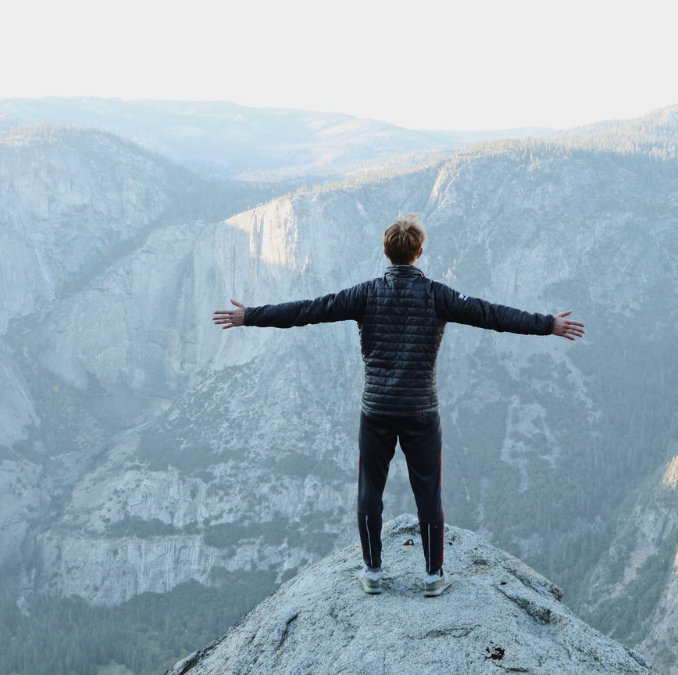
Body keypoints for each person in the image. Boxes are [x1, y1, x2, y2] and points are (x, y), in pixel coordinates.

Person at [212, 214, 585, 596]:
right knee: (428, 493)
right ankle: (433, 576)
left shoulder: (365, 294)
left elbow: (308, 310)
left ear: (386, 252)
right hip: (421, 412)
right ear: (419, 252)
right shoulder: (439, 296)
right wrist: (547, 324)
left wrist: (250, 316)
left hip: (376, 412)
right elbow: (492, 314)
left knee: (369, 490)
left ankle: (372, 573)